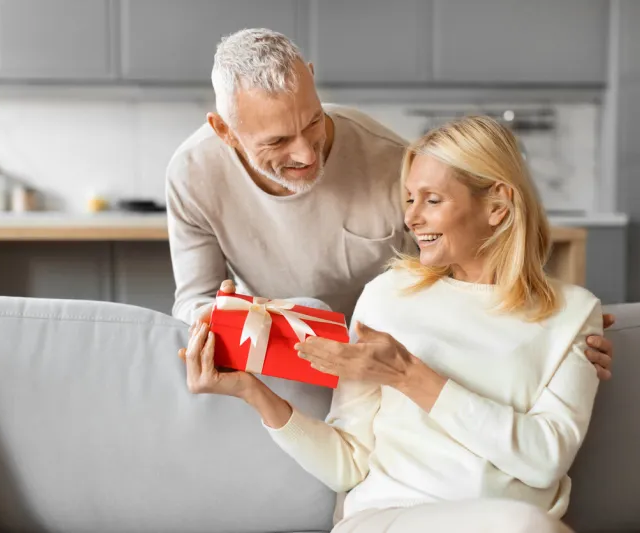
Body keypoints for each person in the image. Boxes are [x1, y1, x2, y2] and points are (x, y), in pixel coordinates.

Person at [180, 115, 605, 533]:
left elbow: (544, 458)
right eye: (409, 199)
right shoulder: (388, 296)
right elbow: (348, 463)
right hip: (388, 517)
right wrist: (251, 392)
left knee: (524, 525)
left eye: (432, 200)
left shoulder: (574, 314)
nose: (411, 218)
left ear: (497, 205)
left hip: (510, 522)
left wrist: (408, 375)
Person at [165, 27, 616, 380]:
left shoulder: (390, 160)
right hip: (278, 353)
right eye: (278, 141)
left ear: (314, 81)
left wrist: (553, 329)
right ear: (224, 131)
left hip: (389, 353)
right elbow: (193, 300)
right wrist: (217, 319)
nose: (306, 153)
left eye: (314, 122)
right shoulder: (192, 174)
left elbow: (468, 271)